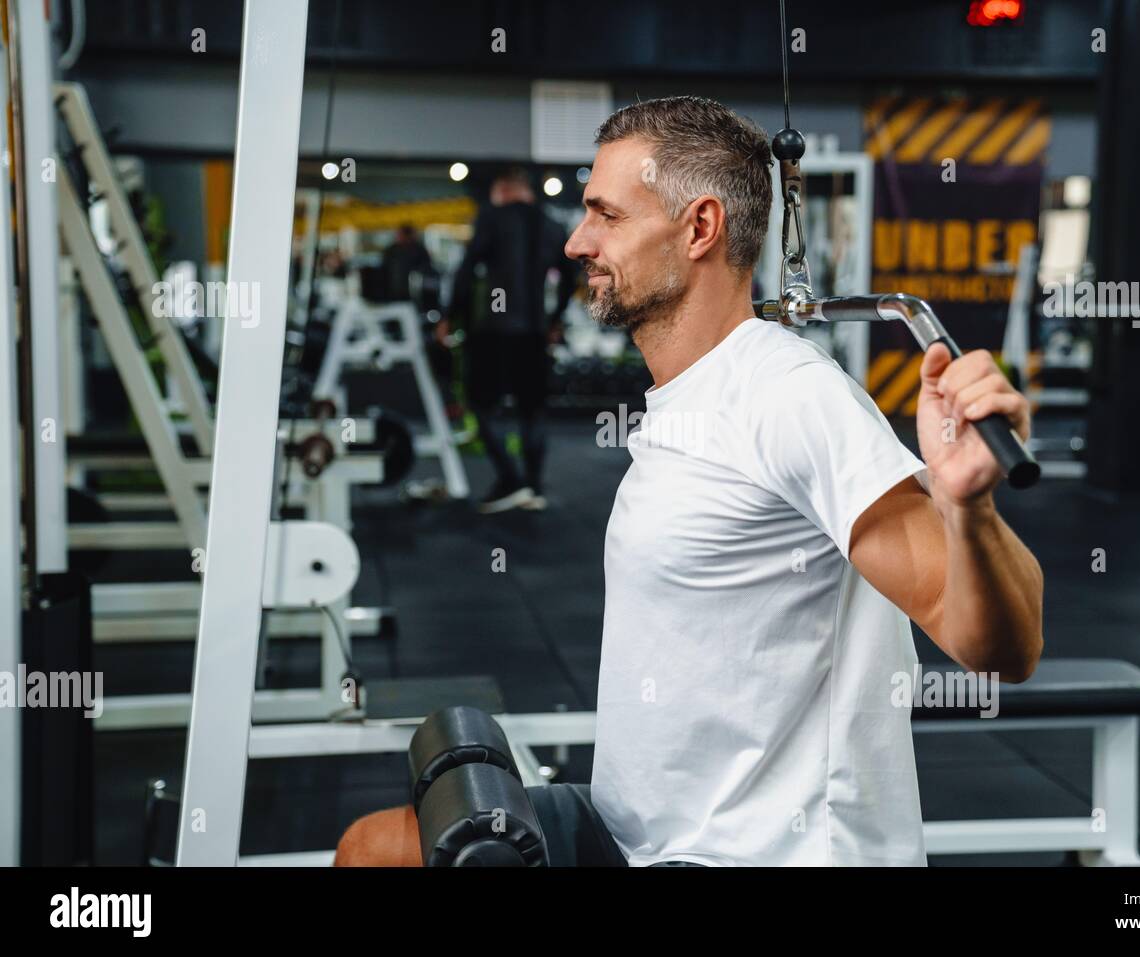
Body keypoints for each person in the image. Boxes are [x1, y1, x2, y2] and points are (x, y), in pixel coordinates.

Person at [335, 97, 1043, 866]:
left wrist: (968, 507)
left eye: (606, 216)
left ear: (699, 228)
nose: (577, 242)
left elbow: (998, 648)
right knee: (376, 850)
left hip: (748, 854)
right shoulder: (691, 392)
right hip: (636, 830)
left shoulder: (789, 397)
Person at [445, 167, 576, 513]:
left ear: (502, 191)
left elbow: (468, 267)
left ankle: (510, 478)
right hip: (533, 333)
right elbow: (569, 275)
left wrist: (449, 316)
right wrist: (555, 319)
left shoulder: (492, 217)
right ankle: (533, 487)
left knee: (482, 408)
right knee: (532, 411)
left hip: (492, 331)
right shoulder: (552, 224)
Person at [380, 223, 436, 303]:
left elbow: (426, 269)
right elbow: (384, 269)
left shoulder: (419, 250)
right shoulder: (392, 249)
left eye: (400, 234)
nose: (397, 237)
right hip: (393, 293)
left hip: (414, 293)